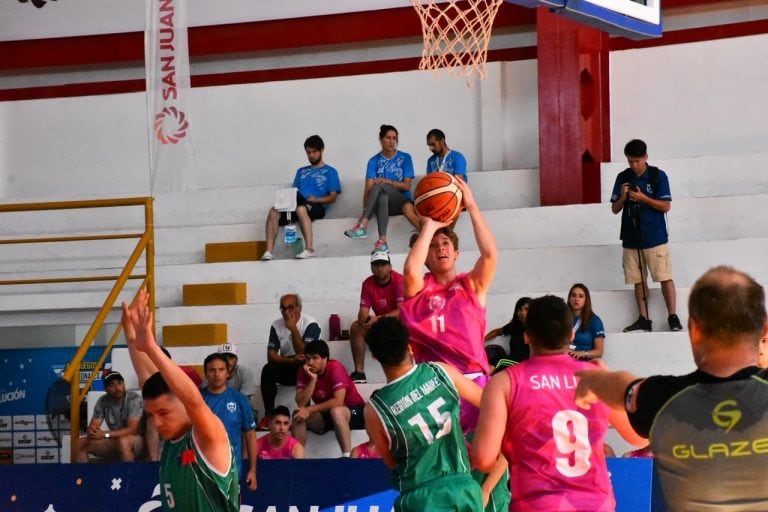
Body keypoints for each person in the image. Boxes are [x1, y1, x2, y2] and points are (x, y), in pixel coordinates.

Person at [574, 266, 768, 512]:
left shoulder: (665, 398)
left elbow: (621, 386)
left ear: (694, 329)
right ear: (763, 329)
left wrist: (593, 381)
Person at [472, 295, 644, 511]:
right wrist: (612, 384)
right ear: (571, 334)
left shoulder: (505, 382)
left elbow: (484, 459)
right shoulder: (595, 376)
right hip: (596, 504)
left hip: (537, 504)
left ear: (526, 336)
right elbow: (636, 437)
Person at [121, 289, 240, 511]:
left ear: (182, 402)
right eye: (151, 415)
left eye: (163, 413)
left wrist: (151, 348)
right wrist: (130, 336)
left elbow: (193, 400)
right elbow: (149, 377)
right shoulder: (172, 437)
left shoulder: (207, 435)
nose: (156, 423)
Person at [401, 177, 496, 433]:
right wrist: (429, 227)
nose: (440, 248)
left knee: (482, 460)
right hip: (433, 387)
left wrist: (472, 206)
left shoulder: (471, 285)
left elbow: (489, 255)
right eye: (433, 246)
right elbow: (410, 269)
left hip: (473, 381)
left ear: (456, 253)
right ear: (425, 255)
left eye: (445, 244)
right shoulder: (418, 289)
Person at [363, 316, 486, 511]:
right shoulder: (440, 371)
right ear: (410, 346)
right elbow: (488, 404)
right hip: (463, 489)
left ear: (375, 357)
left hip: (421, 498)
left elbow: (392, 461)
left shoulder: (375, 410)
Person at [610, 138, 682, 332]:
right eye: (630, 161)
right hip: (631, 236)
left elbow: (665, 205)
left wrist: (643, 198)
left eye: (637, 161)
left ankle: (673, 316)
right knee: (637, 279)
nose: (634, 165)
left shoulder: (658, 176)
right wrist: (624, 197)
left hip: (655, 235)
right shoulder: (623, 177)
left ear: (646, 157)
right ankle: (643, 317)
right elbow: (614, 209)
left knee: (664, 276)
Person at [262, 134, 342, 260]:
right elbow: (294, 191)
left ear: (321, 150)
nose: (311, 155)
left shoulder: (331, 171)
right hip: (297, 203)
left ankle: (309, 249)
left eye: (314, 152)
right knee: (273, 211)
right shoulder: (301, 171)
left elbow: (332, 197)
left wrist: (316, 199)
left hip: (316, 206)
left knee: (301, 208)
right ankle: (269, 251)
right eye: (308, 152)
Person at [344, 124, 420, 253]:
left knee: (379, 184)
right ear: (381, 140)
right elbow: (368, 189)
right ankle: (382, 242)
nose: (391, 141)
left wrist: (388, 182)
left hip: (401, 201)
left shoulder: (405, 158)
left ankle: (363, 225)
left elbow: (406, 186)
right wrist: (365, 211)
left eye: (394, 138)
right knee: (382, 197)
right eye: (388, 138)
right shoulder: (373, 161)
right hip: (384, 206)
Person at [292, 339, 365, 457]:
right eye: (307, 358)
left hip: (354, 411)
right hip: (327, 414)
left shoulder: (335, 367)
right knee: (298, 414)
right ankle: (297, 460)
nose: (310, 362)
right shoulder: (304, 370)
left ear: (325, 359)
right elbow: (300, 402)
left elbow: (338, 401)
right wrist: (313, 380)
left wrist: (309, 410)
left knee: (336, 411)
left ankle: (346, 457)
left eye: (315, 358)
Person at [259, 293, 321, 429]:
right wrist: (291, 360)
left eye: (291, 308)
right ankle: (269, 415)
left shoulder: (311, 324)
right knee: (268, 369)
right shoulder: (276, 325)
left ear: (299, 307)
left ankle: (305, 413)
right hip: (289, 364)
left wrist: (293, 329)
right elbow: (271, 356)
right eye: (283, 308)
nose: (286, 312)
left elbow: (305, 355)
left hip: (306, 366)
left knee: (306, 367)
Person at [201, 352, 257, 491]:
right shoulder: (198, 399)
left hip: (231, 473)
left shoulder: (239, 399)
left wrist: (253, 470)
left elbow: (250, 435)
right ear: (206, 373)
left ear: (228, 373)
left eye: (221, 370)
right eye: (212, 370)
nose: (217, 374)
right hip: (202, 473)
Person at [349, 250, 405, 383]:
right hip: (380, 324)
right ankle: (359, 374)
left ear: (390, 267)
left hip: (400, 323)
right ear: (371, 268)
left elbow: (402, 311)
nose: (380, 268)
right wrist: (364, 318)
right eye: (376, 265)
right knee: (356, 327)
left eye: (383, 264)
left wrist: (378, 319)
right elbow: (363, 311)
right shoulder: (367, 283)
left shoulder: (399, 280)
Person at [74, 370, 144, 463]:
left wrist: (105, 434)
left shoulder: (133, 398)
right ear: (106, 388)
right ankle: (83, 477)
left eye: (119, 383)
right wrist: (92, 432)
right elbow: (94, 425)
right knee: (80, 443)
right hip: (114, 441)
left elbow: (133, 430)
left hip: (137, 440)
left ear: (124, 384)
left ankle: (128, 477)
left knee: (123, 442)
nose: (117, 388)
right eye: (112, 385)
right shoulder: (103, 401)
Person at [484, 296, 531, 367]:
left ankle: (485, 376)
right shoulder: (514, 326)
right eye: (520, 310)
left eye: (526, 309)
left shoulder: (537, 327)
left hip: (526, 363)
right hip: (512, 362)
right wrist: (482, 341)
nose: (523, 313)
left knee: (498, 361)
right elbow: (497, 332)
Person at [567, 283, 606, 360]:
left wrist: (583, 353)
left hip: (584, 363)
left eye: (581, 296)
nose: (576, 299)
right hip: (565, 362)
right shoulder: (562, 319)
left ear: (586, 300)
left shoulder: (594, 321)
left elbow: (599, 352)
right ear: (569, 298)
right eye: (573, 295)